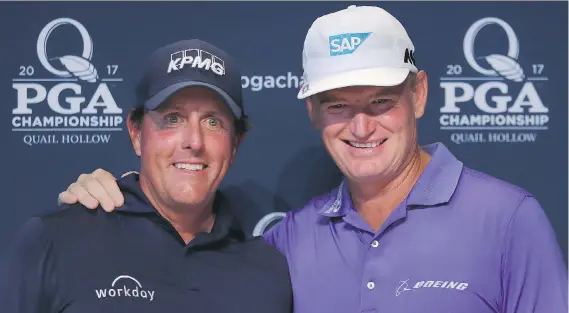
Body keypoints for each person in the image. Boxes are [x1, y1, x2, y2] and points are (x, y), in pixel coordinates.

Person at [56, 5, 567, 313]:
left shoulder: (509, 220)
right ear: (312, 111)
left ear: (419, 95)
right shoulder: (287, 241)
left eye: (381, 102)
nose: (362, 128)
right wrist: (128, 197)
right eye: (339, 106)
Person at [0, 39, 293, 313]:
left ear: (235, 144)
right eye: (173, 119)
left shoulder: (270, 272)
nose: (194, 141)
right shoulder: (54, 240)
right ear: (137, 133)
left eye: (213, 121)